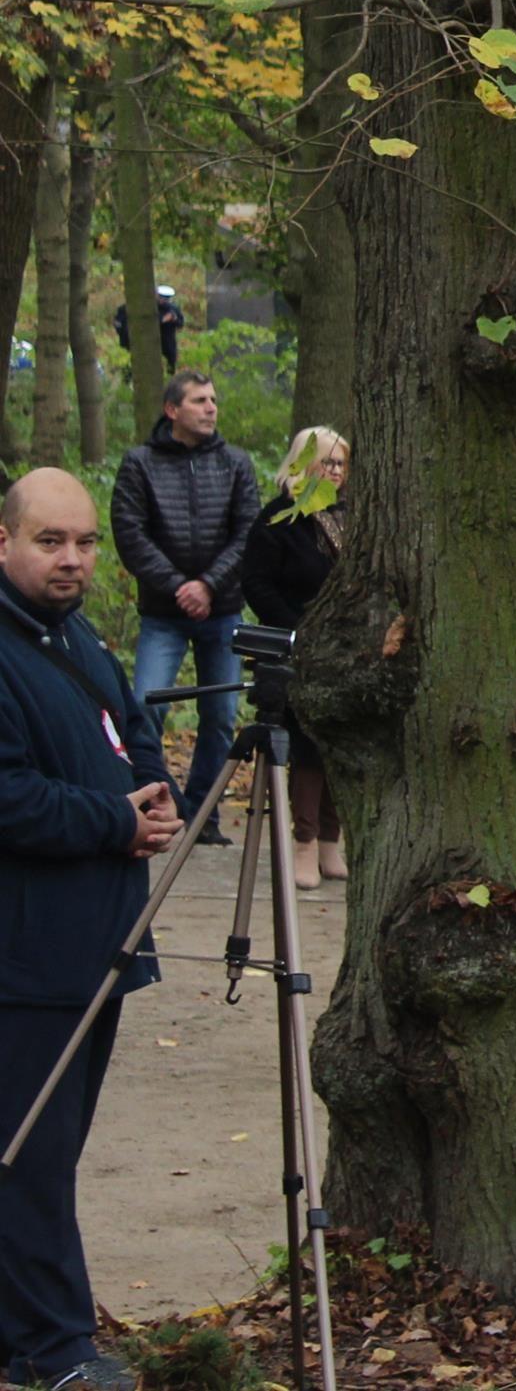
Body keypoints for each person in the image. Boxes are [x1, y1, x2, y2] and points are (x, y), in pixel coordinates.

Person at [0, 467, 178, 1391]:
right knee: (27, 1151)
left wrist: (154, 791)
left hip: (98, 945)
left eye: (82, 543)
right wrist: (119, 819)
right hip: (25, 952)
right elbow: (9, 795)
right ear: (6, 542)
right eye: (50, 541)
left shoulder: (72, 634)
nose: (71, 559)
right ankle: (57, 1349)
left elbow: (135, 730)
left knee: (52, 1146)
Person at [109, 371, 260, 841]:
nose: (211, 407)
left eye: (214, 399)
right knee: (145, 705)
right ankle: (160, 799)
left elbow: (248, 532)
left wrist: (209, 586)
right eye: (199, 400)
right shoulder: (140, 464)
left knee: (219, 716)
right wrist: (180, 586)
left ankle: (203, 816)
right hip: (163, 613)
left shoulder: (236, 464)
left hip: (223, 610)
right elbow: (130, 533)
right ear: (172, 410)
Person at [242, 427, 349, 890]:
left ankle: (332, 841)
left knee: (341, 745)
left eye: (342, 464)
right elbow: (257, 584)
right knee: (305, 743)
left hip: (345, 648)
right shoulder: (276, 519)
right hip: (295, 645)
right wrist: (297, 632)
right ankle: (302, 843)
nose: (336, 472)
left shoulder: (349, 519)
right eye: (327, 462)